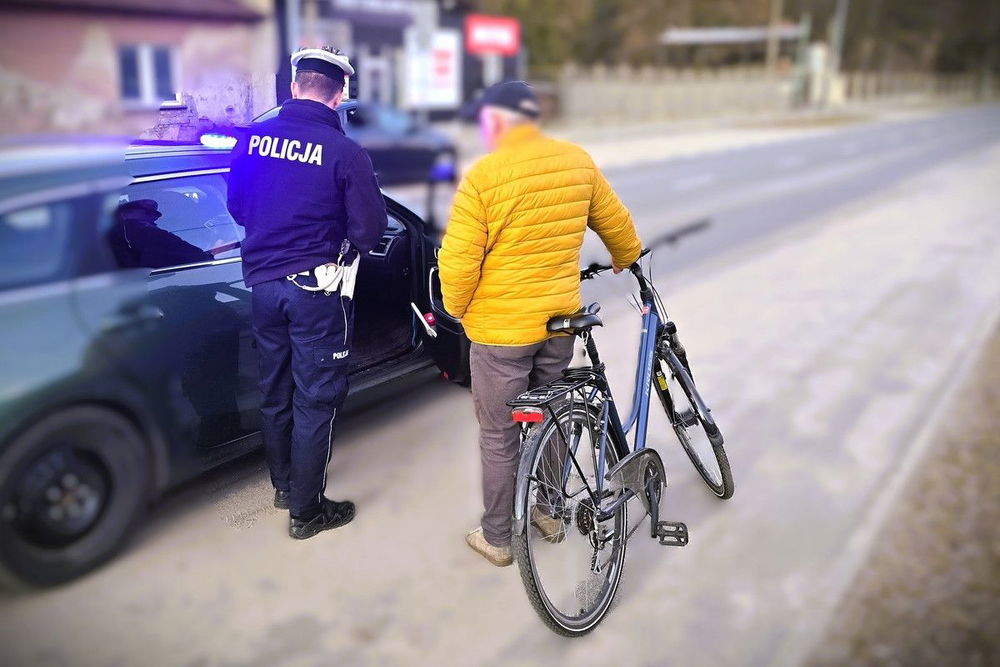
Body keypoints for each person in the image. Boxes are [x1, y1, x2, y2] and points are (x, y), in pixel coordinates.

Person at [439, 81, 642, 566]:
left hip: (501, 334)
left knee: (499, 434)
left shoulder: (484, 177)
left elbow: (459, 265)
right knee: (554, 416)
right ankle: (548, 513)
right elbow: (616, 224)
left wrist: (457, 309)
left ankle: (497, 538)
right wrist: (626, 256)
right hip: (558, 324)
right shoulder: (576, 161)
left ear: (495, 120)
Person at [227, 47, 387, 539]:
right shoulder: (344, 152)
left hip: (262, 285)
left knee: (275, 389)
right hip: (315, 292)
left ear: (294, 87)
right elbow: (370, 230)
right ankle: (307, 511)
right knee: (317, 398)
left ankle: (283, 486)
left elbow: (237, 207)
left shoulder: (251, 140)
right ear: (338, 96)